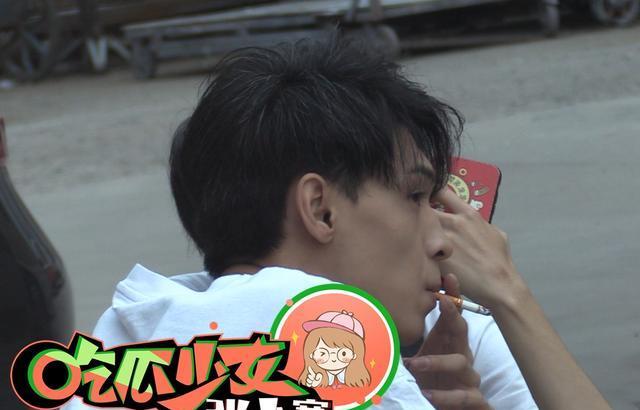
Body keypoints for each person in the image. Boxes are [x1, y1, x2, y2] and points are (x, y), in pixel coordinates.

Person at [65, 33, 609, 409]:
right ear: (320, 209)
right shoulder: (328, 338)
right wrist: (511, 295)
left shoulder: (135, 337)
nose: (445, 239)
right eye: (415, 196)